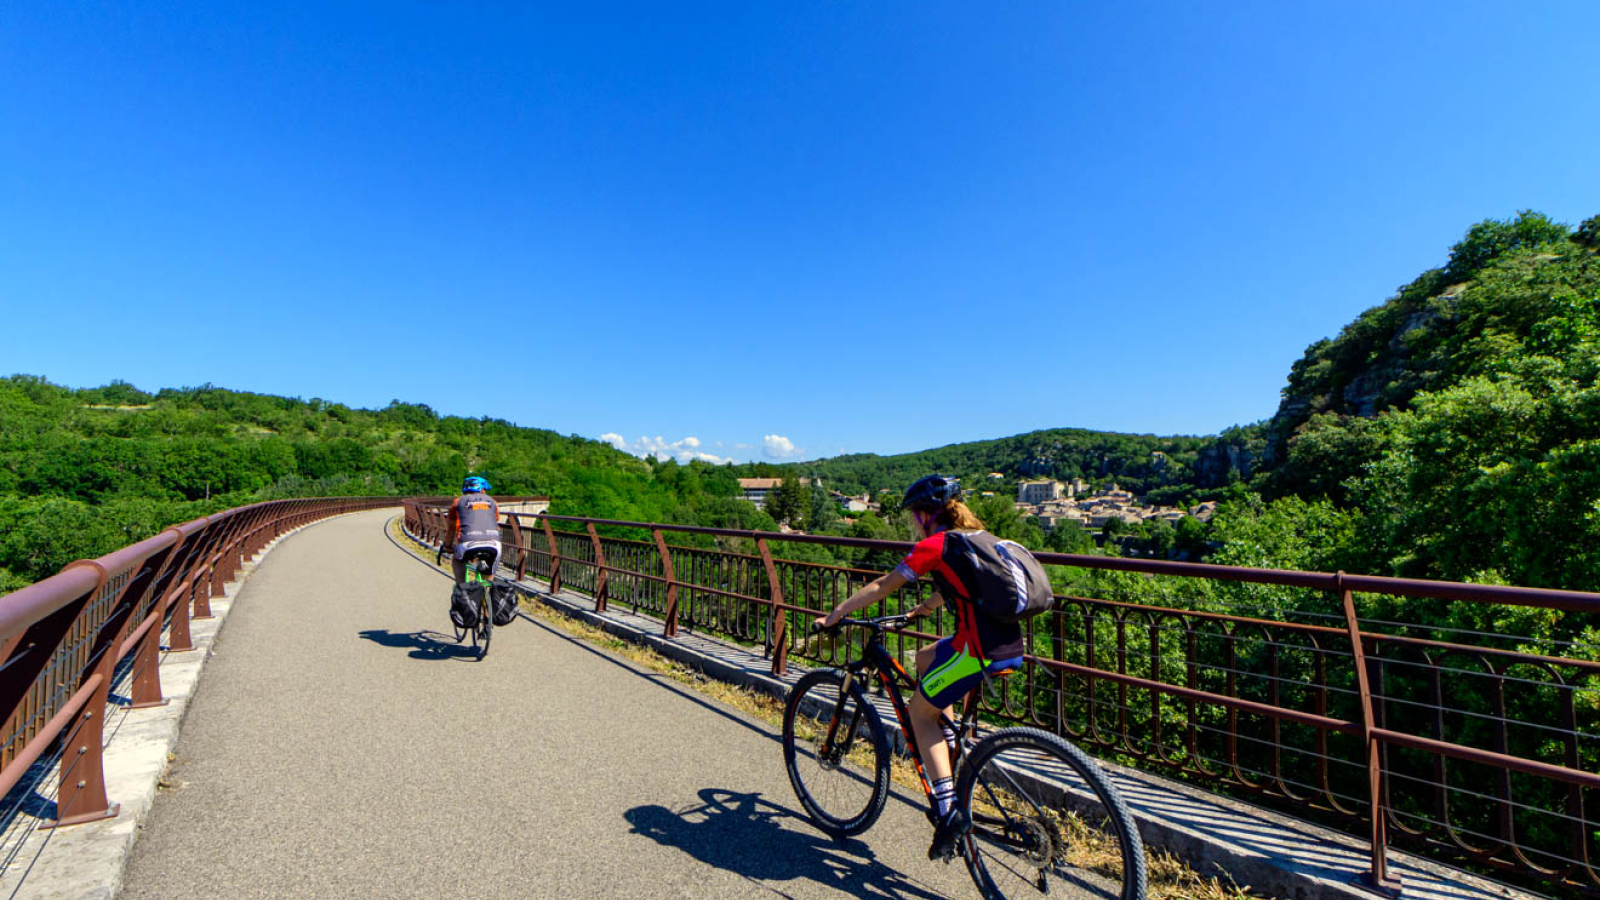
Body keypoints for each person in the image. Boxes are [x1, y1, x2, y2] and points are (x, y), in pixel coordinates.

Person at [813, 474, 1024, 862]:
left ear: (927, 515)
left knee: (917, 714)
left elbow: (881, 585)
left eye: (914, 515)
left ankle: (948, 811)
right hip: (1006, 645)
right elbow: (956, 587)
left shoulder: (936, 545)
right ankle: (947, 742)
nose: (912, 522)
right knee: (926, 659)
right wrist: (921, 610)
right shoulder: (980, 539)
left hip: (975, 650)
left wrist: (836, 614)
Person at [447, 475, 501, 584]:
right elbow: (495, 522)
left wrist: (447, 546)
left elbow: (451, 528)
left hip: (468, 543)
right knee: (488, 575)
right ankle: (488, 590)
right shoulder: (493, 502)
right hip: (494, 544)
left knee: (457, 560)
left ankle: (461, 586)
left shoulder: (458, 502)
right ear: (481, 489)